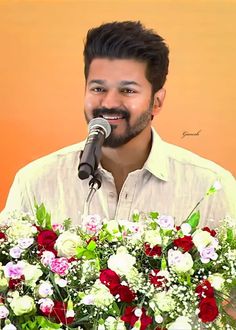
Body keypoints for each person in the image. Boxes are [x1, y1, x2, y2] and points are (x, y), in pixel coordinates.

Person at [1, 21, 236, 227]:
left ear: (157, 101)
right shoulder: (35, 183)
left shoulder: (211, 188)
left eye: (127, 90)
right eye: (98, 88)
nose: (109, 102)